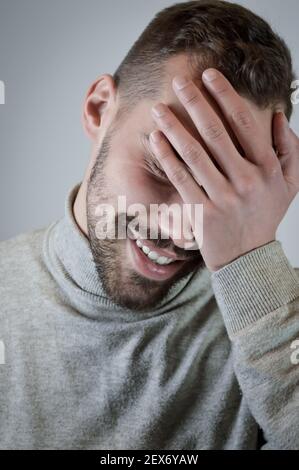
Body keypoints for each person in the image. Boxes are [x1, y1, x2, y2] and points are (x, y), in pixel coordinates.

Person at [0, 0, 298, 450]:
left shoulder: (282, 319)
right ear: (100, 109)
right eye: (165, 167)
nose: (183, 232)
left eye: (224, 188)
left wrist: (254, 275)